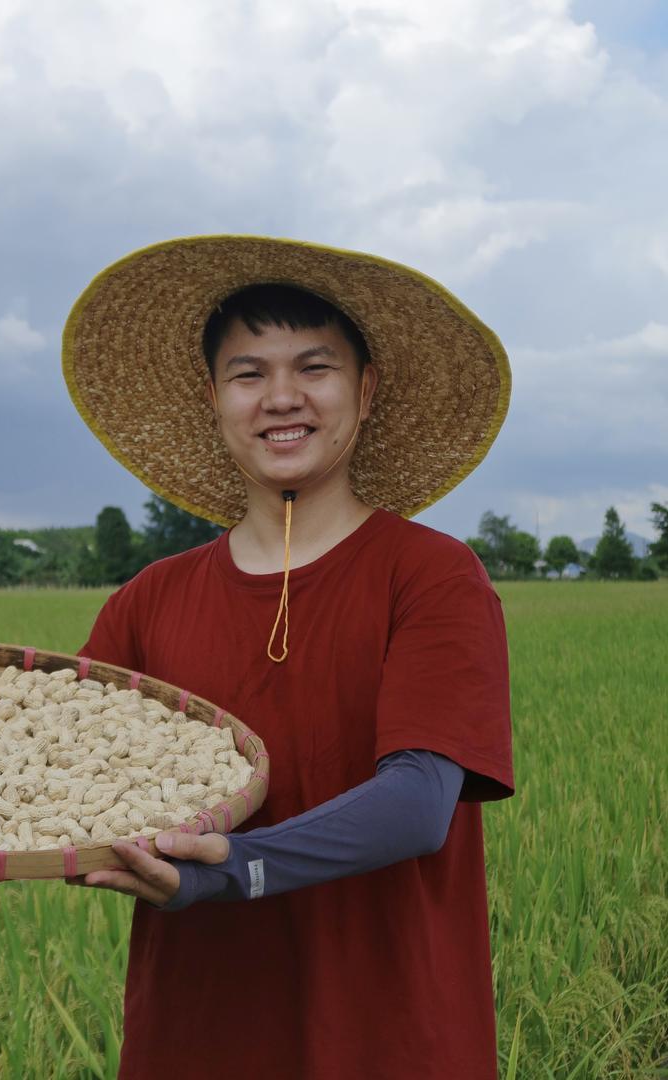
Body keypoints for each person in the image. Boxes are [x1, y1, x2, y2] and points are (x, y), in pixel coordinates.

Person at [60, 236, 514, 1079]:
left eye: (314, 368)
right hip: (194, 1038)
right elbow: (49, 765)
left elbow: (419, 803)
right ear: (213, 397)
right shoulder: (148, 602)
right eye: (248, 373)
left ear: (366, 389)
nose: (281, 398)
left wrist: (231, 868)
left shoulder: (432, 576)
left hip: (392, 1040)